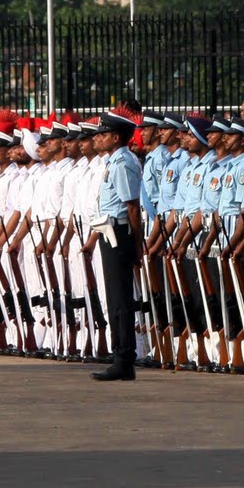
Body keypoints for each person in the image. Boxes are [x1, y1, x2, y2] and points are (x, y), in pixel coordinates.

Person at [89, 108, 144, 381]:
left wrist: (136, 243)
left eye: (102, 135)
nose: (97, 139)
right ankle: (119, 355)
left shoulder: (123, 162)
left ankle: (124, 358)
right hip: (108, 231)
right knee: (114, 297)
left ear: (115, 137)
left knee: (120, 299)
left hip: (119, 233)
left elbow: (132, 207)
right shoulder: (113, 161)